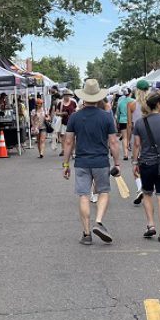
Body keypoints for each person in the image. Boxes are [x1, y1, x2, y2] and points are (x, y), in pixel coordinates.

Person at [62, 79, 121, 245]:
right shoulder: (106, 117)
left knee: (84, 195)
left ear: (84, 97)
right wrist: (117, 163)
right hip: (101, 161)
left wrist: (65, 164)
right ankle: (99, 221)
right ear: (98, 97)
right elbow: (114, 142)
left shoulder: (75, 117)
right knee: (103, 191)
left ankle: (87, 234)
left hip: (81, 162)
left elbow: (68, 142)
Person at [132, 92, 160, 242]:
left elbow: (137, 145)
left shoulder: (140, 123)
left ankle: (151, 225)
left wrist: (134, 162)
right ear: (158, 104)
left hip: (146, 163)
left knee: (147, 194)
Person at [128, 80, 150, 204]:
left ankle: (139, 187)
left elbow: (130, 125)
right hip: (150, 137)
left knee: (135, 163)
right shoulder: (151, 104)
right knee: (148, 162)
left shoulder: (131, 105)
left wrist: (127, 142)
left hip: (136, 136)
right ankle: (146, 187)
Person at [56, 90, 77, 156]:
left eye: (68, 95)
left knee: (73, 138)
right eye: (65, 95)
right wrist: (62, 113)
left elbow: (77, 111)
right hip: (63, 123)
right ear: (63, 96)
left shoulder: (73, 102)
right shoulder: (60, 103)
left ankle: (73, 152)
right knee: (64, 138)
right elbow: (56, 113)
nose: (67, 96)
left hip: (72, 123)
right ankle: (64, 150)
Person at [115, 89, 134, 160]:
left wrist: (118, 121)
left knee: (124, 137)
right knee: (131, 137)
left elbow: (118, 113)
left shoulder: (120, 102)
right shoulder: (133, 101)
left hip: (122, 120)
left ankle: (125, 154)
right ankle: (132, 154)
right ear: (130, 93)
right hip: (131, 121)